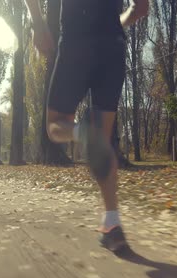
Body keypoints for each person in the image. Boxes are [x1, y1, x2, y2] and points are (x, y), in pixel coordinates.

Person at [24, 0, 149, 252]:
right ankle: (112, 224)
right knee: (101, 144)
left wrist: (38, 24)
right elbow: (142, 8)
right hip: (113, 47)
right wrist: (115, 24)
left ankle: (81, 131)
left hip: (76, 41)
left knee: (55, 126)